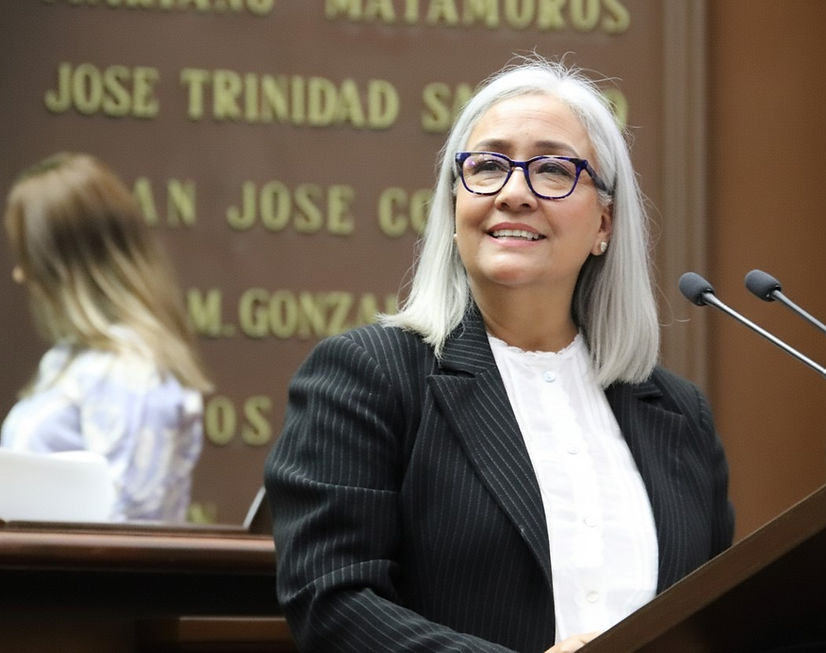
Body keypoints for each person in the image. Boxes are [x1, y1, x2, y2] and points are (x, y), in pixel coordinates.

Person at [264, 56, 734, 653]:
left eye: (553, 169)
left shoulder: (678, 412)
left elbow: (719, 612)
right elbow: (331, 602)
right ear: (454, 207)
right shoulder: (370, 375)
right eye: (487, 166)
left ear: (604, 223)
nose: (514, 193)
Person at [0, 152, 212, 523]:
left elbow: (123, 532)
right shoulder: (74, 361)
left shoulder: (131, 373)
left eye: (28, 257)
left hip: (74, 582)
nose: (20, 274)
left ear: (64, 264)